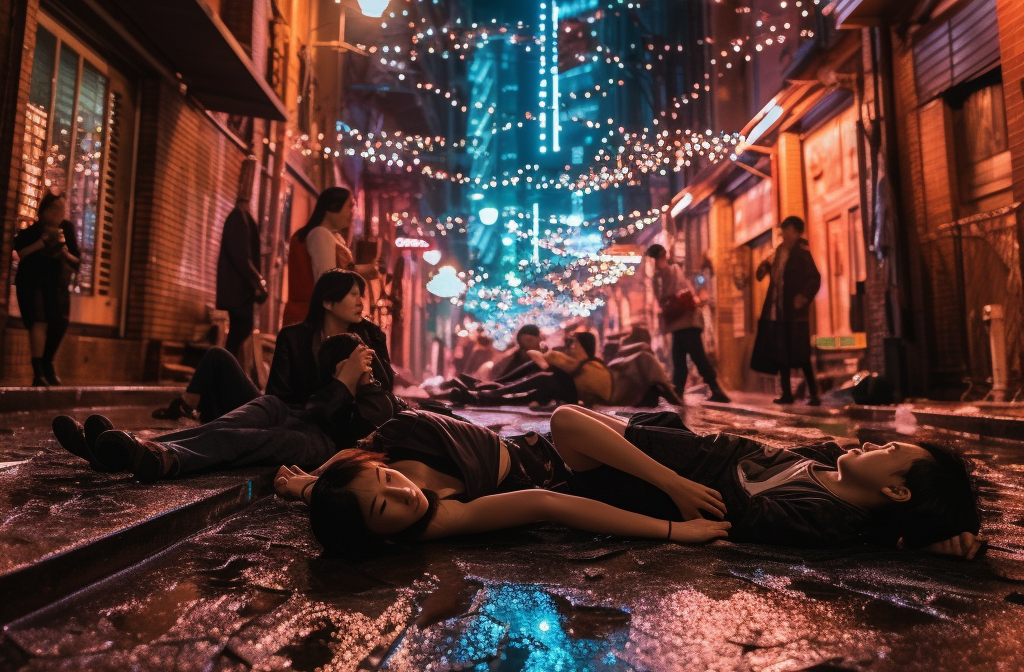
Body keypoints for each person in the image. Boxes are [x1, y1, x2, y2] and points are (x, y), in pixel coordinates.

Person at [276, 405, 980, 558]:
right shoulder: (436, 520)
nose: (400, 497)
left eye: (383, 487)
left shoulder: (833, 507)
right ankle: (312, 483)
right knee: (573, 423)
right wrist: (676, 503)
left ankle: (311, 484)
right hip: (660, 461)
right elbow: (555, 498)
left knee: (359, 456)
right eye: (387, 511)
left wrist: (930, 534)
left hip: (438, 440)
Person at [52, 333, 397, 482]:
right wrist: (342, 378)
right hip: (292, 412)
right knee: (227, 423)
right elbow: (312, 402)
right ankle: (132, 451)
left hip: (323, 445)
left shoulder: (379, 396)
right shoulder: (306, 339)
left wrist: (361, 380)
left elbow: (363, 422)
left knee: (238, 437)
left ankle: (165, 459)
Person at [152, 270, 393, 422]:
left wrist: (377, 338)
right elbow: (277, 395)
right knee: (217, 356)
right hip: (283, 414)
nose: (360, 302)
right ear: (328, 302)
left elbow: (385, 391)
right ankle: (186, 405)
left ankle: (203, 412)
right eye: (353, 294)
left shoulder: (365, 340)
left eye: (361, 295)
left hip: (325, 423)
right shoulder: (294, 337)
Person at [281, 187, 378, 328]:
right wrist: (360, 272)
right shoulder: (320, 234)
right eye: (349, 207)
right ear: (332, 208)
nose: (352, 214)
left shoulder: (329, 236)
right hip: (312, 320)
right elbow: (328, 282)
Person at [751, 216, 822, 405]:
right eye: (783, 230)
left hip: (795, 314)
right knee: (782, 354)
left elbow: (814, 278)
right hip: (778, 312)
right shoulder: (778, 252)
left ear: (796, 231)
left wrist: (804, 297)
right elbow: (763, 275)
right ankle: (787, 394)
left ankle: (814, 394)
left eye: (787, 229)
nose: (783, 233)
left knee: (801, 354)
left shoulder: (802, 252)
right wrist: (764, 265)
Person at [645, 244, 729, 404]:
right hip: (682, 323)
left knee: (696, 357)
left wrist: (658, 275)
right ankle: (679, 392)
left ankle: (715, 389)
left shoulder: (668, 272)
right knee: (679, 358)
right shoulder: (667, 272)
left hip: (686, 322)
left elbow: (665, 295)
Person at [13, 191, 81, 386]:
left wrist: (64, 252)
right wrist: (41, 243)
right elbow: (17, 255)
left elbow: (77, 261)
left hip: (57, 284)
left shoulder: (66, 230)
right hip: (33, 281)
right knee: (39, 322)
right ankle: (39, 371)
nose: (60, 213)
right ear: (44, 211)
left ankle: (47, 362)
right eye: (55, 208)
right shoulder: (32, 231)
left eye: (63, 209)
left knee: (60, 323)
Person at [466, 331, 612, 408]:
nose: (570, 346)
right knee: (542, 386)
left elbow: (549, 359)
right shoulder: (579, 362)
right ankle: (490, 393)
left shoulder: (589, 365)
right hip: (571, 393)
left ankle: (492, 391)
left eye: (573, 343)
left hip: (577, 397)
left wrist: (549, 357)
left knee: (546, 378)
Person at [215, 158, 268, 358]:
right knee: (241, 328)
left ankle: (227, 371)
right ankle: (225, 370)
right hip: (237, 290)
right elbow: (241, 256)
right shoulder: (237, 218)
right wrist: (257, 280)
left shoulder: (243, 217)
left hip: (240, 290)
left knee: (241, 330)